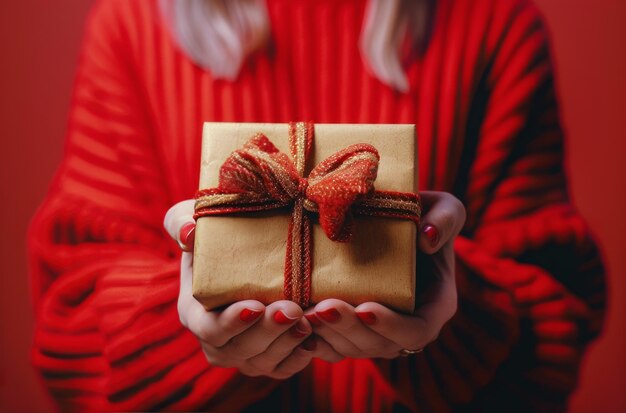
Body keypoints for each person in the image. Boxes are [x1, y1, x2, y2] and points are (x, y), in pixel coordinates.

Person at [28, 0, 605, 412]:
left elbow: (555, 331)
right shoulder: (132, 24)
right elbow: (67, 325)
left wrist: (448, 315)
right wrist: (189, 327)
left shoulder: (496, 23)